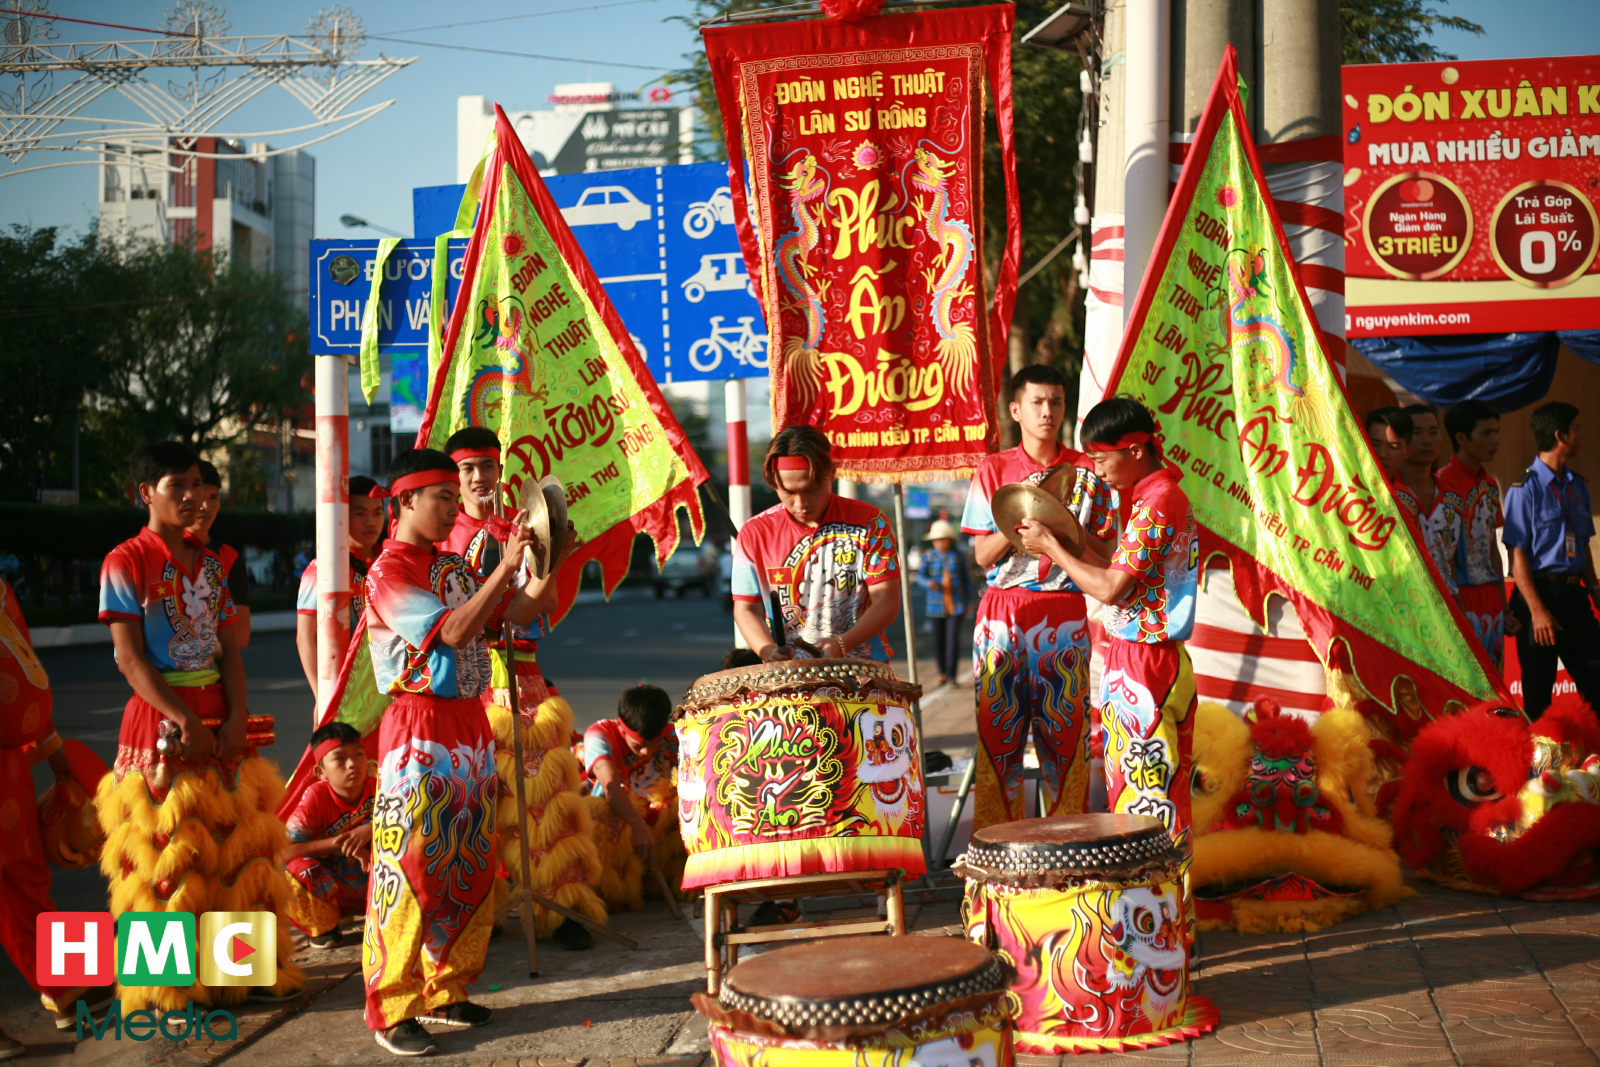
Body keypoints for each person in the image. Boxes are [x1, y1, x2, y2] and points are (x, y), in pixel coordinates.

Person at [95, 442, 303, 1014]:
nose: (192, 497)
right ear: (146, 493)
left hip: (220, 712)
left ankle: (238, 975)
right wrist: (184, 718)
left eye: (198, 485)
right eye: (177, 486)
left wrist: (237, 715)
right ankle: (165, 987)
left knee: (234, 852)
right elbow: (130, 659)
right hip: (160, 718)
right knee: (163, 857)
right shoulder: (124, 561)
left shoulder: (212, 564)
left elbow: (229, 649)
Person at [361, 447, 539, 1055]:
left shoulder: (452, 567)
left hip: (469, 720)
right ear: (406, 500)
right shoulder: (389, 570)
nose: (452, 508)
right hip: (419, 724)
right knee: (410, 864)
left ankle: (447, 988)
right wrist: (503, 566)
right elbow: (456, 631)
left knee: (469, 861)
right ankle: (392, 1006)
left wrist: (545, 556)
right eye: (442, 497)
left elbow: (516, 612)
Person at [439, 426, 605, 954]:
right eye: (467, 469)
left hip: (524, 673)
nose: (479, 478)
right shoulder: (441, 538)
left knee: (544, 796)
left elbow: (539, 604)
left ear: (500, 470)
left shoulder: (519, 526)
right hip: (468, 681)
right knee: (475, 802)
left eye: (487, 466)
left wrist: (553, 557)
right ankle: (480, 911)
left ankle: (562, 906)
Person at [1017, 397, 1197, 840]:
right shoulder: (1153, 495)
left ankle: (1159, 885)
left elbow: (1109, 588)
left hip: (1144, 661)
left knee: (1144, 797)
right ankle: (1168, 884)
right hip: (1149, 659)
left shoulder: (1159, 502)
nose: (1097, 471)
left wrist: (1052, 548)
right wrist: (1066, 534)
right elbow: (1117, 568)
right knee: (1153, 790)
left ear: (1134, 450)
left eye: (1101, 460)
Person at [958, 364, 1116, 829]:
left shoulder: (1088, 470)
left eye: (1056, 402)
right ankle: (999, 850)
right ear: (1016, 409)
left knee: (1065, 740)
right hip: (1001, 614)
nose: (1048, 412)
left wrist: (1062, 532)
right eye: (1038, 402)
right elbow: (981, 555)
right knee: (998, 738)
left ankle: (1066, 846)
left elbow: (1107, 552)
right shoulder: (993, 469)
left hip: (1063, 612)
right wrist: (1021, 520)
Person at [0, 576, 113, 1052]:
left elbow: (23, 661)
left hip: (7, 762)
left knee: (24, 874)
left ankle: (66, 986)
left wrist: (56, 753)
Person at [731, 426, 901, 661]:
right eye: (788, 492)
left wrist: (842, 643)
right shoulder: (754, 532)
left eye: (811, 489)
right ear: (773, 482)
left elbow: (887, 600)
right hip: (789, 675)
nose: (801, 503)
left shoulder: (870, 523)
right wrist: (767, 650)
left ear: (832, 472)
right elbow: (747, 608)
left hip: (861, 672)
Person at [1503, 402, 1600, 721]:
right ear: (1560, 435)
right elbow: (1516, 555)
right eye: (1577, 427)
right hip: (1538, 597)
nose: (1582, 434)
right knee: (1538, 693)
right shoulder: (1524, 489)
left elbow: (1582, 544)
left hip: (1574, 596)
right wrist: (1537, 611)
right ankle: (1541, 754)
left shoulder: (1578, 485)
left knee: (1596, 679)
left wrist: (1594, 588)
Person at [582, 684, 683, 911]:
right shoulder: (599, 735)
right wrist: (637, 825)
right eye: (639, 745)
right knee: (605, 813)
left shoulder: (674, 734)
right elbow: (610, 788)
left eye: (654, 744)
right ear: (621, 726)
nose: (646, 752)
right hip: (622, 817)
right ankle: (618, 892)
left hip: (657, 816)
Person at [280, 721, 374, 949]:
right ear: (321, 772)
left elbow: (413, 822)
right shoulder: (315, 796)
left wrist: (371, 829)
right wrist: (340, 843)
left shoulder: (382, 787)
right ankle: (324, 927)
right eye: (340, 758)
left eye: (358, 754)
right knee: (297, 870)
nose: (352, 764)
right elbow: (284, 851)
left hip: (377, 878)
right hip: (334, 884)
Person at [296, 475, 387, 698]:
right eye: (360, 513)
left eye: (377, 512)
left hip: (391, 693)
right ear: (341, 516)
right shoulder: (323, 568)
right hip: (346, 696)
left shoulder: (390, 563)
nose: (371, 522)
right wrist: (322, 696)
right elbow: (306, 637)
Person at [1439, 400, 1510, 666]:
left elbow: (1493, 548)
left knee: (1494, 679)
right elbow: (1441, 555)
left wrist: (1505, 607)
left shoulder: (1490, 485)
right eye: (1486, 433)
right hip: (1459, 598)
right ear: (1461, 438)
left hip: (1491, 600)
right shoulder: (1441, 484)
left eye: (1496, 432)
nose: (1495, 440)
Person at [1367, 406, 1458, 601]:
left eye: (1393, 446)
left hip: (1433, 604)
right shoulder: (1353, 495)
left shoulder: (1451, 497)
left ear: (1408, 450)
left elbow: (1447, 559)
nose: (1383, 454)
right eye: (1375, 444)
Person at [191, 460, 252, 647]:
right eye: (199, 497)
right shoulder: (155, 553)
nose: (206, 506)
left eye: (213, 497)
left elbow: (241, 635)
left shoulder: (230, 558)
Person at [919, 519, 971, 689]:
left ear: (949, 540)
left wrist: (968, 601)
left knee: (952, 640)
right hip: (935, 605)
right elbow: (920, 576)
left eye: (943, 539)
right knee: (938, 640)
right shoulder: (928, 556)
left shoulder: (958, 556)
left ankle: (952, 675)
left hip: (957, 604)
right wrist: (929, 583)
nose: (940, 542)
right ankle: (942, 672)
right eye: (937, 539)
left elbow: (966, 580)